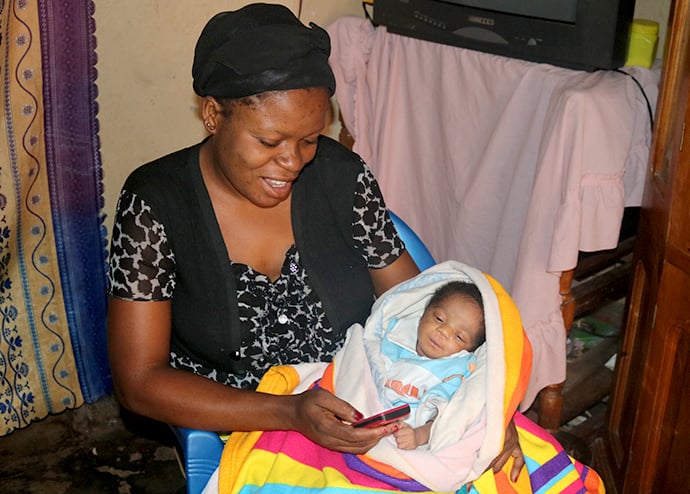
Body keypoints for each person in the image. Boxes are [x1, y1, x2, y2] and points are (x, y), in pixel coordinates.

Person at [106, 2, 523, 480]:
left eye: (309, 139)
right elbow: (139, 381)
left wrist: (483, 405)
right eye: (269, 142)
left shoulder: (341, 178)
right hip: (239, 423)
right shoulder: (156, 203)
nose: (293, 161)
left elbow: (416, 306)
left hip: (370, 403)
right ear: (213, 115)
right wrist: (289, 412)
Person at [377, 281, 486, 450]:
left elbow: (443, 420)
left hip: (409, 437)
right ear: (423, 315)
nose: (444, 331)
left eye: (459, 337)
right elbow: (364, 365)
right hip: (369, 415)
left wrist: (418, 435)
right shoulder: (395, 337)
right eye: (439, 319)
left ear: (468, 351)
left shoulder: (455, 372)